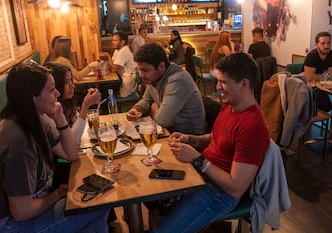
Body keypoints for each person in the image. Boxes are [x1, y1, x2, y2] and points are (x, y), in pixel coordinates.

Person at [0, 62, 110, 232]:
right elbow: (21, 211)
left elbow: (70, 154)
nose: (57, 94)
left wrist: (60, 119)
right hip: (7, 225)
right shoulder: (17, 141)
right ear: (31, 96)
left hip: (25, 214)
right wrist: (56, 195)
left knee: (97, 217)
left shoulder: (34, 120)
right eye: (51, 89)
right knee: (99, 204)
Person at [151, 53, 270, 233]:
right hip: (200, 177)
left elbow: (236, 188)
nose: (217, 87)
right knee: (149, 187)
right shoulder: (230, 106)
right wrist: (191, 139)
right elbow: (215, 137)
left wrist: (197, 159)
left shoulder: (252, 126)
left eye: (223, 82)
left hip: (219, 193)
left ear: (244, 84)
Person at [126, 42, 206, 135]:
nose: (141, 75)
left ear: (161, 66)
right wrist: (137, 109)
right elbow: (147, 100)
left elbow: (162, 120)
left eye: (145, 70)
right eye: (139, 70)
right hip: (169, 132)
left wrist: (154, 109)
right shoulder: (154, 77)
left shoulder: (177, 80)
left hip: (190, 138)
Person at [44, 63, 101, 144]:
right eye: (66, 82)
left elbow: (76, 123)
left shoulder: (66, 103)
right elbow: (72, 142)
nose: (72, 86)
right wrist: (85, 106)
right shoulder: (50, 112)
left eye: (71, 80)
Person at [302, 31, 332, 112]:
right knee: (325, 106)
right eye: (323, 43)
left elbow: (331, 75)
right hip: (306, 86)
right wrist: (325, 76)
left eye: (328, 43)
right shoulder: (312, 56)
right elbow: (309, 78)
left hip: (322, 86)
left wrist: (317, 76)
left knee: (328, 107)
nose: (326, 46)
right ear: (316, 45)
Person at [101, 32, 137, 97]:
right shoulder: (117, 51)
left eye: (115, 40)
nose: (112, 42)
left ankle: (108, 106)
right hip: (120, 78)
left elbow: (113, 69)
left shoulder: (124, 50)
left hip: (127, 82)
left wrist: (108, 56)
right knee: (103, 87)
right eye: (113, 40)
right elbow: (111, 67)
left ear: (122, 42)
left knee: (104, 89)